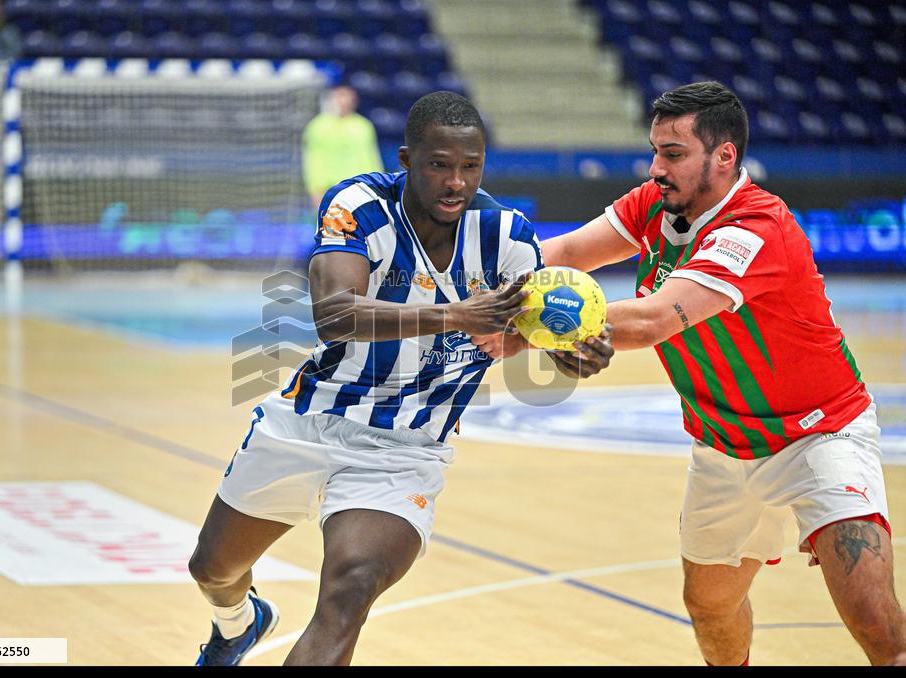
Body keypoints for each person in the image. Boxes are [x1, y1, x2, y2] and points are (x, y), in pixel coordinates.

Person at [476, 81, 905, 666]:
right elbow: (569, 252)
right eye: (655, 151)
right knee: (709, 607)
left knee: (875, 623)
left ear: (724, 156)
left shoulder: (755, 229)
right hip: (722, 442)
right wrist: (482, 288)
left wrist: (523, 331)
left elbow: (654, 319)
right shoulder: (656, 203)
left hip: (817, 434)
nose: (657, 168)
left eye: (673, 154)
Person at [188, 91, 613, 666]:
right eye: (440, 164)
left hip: (405, 449)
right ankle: (238, 623)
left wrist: (572, 351)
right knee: (213, 566)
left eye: (470, 167)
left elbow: (527, 329)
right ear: (408, 160)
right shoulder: (359, 204)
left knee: (349, 588)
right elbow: (335, 315)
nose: (456, 182)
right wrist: (454, 314)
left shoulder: (508, 239)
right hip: (310, 419)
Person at [302, 85, 384, 210]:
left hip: (359, 189)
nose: (343, 102)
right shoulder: (317, 127)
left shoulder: (363, 126)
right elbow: (313, 160)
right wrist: (316, 190)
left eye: (346, 97)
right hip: (329, 190)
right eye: (339, 97)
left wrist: (376, 186)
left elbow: (371, 158)